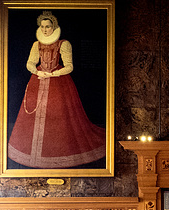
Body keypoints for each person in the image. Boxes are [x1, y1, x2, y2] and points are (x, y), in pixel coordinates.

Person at [8, 11, 106, 169]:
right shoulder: (36, 44)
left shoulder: (64, 44)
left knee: (61, 121)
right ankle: (33, 156)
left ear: (54, 27)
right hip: (38, 80)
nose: (45, 29)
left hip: (59, 83)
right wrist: (39, 72)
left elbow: (69, 66)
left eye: (48, 26)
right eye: (43, 26)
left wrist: (52, 74)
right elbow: (30, 63)